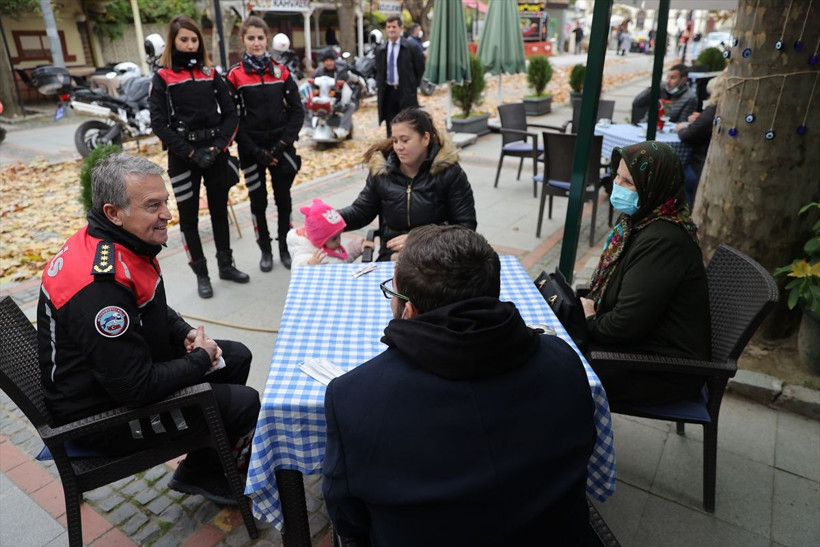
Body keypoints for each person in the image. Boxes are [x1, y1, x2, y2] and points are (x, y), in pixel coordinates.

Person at [322, 224, 597, 546]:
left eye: (392, 293)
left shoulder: (353, 397)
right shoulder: (563, 360)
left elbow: (348, 518)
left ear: (409, 310)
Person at [36, 153, 261, 506]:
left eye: (166, 202)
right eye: (153, 206)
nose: (168, 214)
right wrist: (199, 358)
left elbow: (146, 301)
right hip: (102, 417)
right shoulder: (100, 287)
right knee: (245, 403)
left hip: (115, 373)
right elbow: (135, 388)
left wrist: (183, 332)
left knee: (234, 357)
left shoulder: (112, 239)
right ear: (114, 212)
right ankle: (206, 470)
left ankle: (203, 465)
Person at [580, 141, 710, 406]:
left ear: (656, 186)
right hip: (640, 345)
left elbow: (623, 326)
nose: (616, 185)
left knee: (550, 369)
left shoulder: (663, 241)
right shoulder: (637, 222)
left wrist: (589, 320)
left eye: (628, 182)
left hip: (661, 369)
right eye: (617, 176)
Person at [149, 15, 249, 298]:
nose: (190, 45)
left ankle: (226, 265)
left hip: (215, 153)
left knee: (220, 213)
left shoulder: (210, 73)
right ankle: (201, 274)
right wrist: (191, 152)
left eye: (194, 40)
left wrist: (216, 148)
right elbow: (158, 123)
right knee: (189, 220)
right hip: (183, 157)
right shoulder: (162, 76)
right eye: (184, 39)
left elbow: (231, 113)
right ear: (173, 41)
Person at [337, 107, 477, 262]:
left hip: (436, 255)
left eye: (405, 140)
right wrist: (324, 219)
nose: (398, 147)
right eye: (395, 140)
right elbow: (360, 212)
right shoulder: (382, 173)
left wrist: (418, 240)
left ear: (425, 139)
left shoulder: (450, 173)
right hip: (392, 256)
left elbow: (466, 227)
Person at [227, 16, 304, 271]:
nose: (257, 43)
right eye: (251, 38)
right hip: (251, 151)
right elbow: (232, 119)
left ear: (267, 39)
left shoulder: (281, 72)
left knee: (284, 199)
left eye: (260, 38)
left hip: (281, 149)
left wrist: (282, 145)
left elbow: (297, 111)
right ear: (243, 41)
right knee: (257, 201)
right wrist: (257, 151)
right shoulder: (235, 76)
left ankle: (284, 247)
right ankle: (265, 250)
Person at [676, 73, 726, 208]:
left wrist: (681, 129)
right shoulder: (721, 110)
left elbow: (690, 136)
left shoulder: (713, 110)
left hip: (699, 167)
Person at [376, 15, 425, 137]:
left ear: (400, 28)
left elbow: (420, 69)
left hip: (406, 92)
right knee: (390, 126)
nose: (391, 29)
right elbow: (378, 71)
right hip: (388, 93)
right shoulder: (381, 50)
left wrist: (411, 85)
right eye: (388, 27)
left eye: (394, 26)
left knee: (407, 124)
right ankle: (392, 152)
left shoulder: (411, 47)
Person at [286, 199, 367, 266]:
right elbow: (297, 269)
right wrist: (309, 266)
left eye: (339, 235)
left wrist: (358, 246)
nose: (339, 241)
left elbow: (342, 260)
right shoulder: (306, 253)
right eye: (334, 238)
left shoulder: (331, 246)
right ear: (320, 239)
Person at [308, 49, 355, 139]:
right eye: (326, 61)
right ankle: (308, 127)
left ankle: (343, 129)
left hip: (337, 101)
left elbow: (348, 85)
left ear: (334, 61)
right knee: (303, 103)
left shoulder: (341, 72)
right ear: (323, 62)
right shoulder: (318, 72)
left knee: (351, 106)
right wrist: (315, 91)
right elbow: (310, 83)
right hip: (320, 101)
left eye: (331, 60)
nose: (329, 63)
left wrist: (338, 92)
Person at [631, 64, 697, 123]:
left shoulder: (690, 98)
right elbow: (637, 103)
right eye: (667, 77)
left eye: (673, 78)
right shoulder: (661, 88)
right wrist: (652, 89)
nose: (668, 81)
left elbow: (682, 124)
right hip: (646, 125)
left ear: (683, 80)